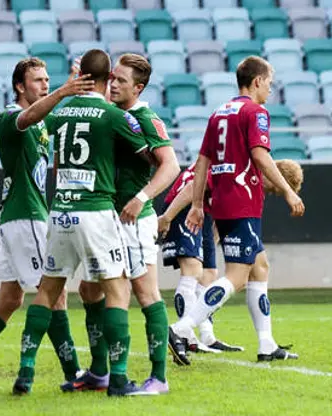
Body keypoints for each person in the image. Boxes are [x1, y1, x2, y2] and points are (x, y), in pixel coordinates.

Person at [0, 57, 96, 396]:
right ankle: (74, 371)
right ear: (19, 86)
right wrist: (63, 90)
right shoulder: (9, 117)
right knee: (54, 292)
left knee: (10, 298)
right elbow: (29, 116)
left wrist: (71, 84)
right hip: (26, 215)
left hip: (17, 217)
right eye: (37, 81)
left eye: (47, 80)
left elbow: (46, 115)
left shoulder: (42, 123)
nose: (44, 84)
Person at [11, 49, 149, 397]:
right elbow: (147, 151)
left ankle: (25, 373)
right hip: (97, 212)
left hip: (60, 212)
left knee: (47, 291)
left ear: (81, 76)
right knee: (118, 290)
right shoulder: (112, 114)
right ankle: (117, 377)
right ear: (106, 80)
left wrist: (60, 94)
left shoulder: (59, 111)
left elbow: (28, 123)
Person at [168, 56, 305, 366]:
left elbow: (202, 161)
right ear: (256, 81)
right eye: (269, 83)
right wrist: (286, 190)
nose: (270, 89)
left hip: (226, 199)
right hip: (243, 199)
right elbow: (260, 154)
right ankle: (180, 328)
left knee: (260, 267)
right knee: (236, 276)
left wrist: (200, 204)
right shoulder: (256, 112)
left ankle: (267, 344)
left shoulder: (219, 113)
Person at [61, 53, 180, 396]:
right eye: (112, 78)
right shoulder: (108, 115)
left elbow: (169, 166)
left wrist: (142, 198)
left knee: (145, 292)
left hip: (133, 220)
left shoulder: (147, 119)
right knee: (89, 290)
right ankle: (99, 371)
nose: (113, 84)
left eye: (122, 81)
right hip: (104, 218)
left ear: (138, 88)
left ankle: (159, 378)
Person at [159, 160, 301, 356]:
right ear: (273, 174)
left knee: (229, 270)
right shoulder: (241, 168)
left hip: (206, 213)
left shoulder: (251, 178)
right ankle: (182, 332)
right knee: (207, 272)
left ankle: (211, 338)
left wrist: (215, 242)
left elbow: (223, 207)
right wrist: (167, 217)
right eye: (276, 189)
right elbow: (195, 186)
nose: (271, 193)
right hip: (185, 206)